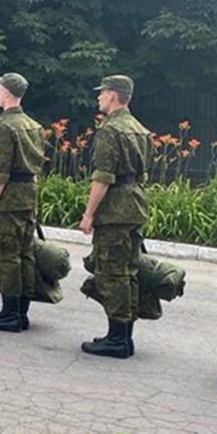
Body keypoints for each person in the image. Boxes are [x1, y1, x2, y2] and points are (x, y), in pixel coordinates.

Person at [78, 75, 150, 357]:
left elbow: (103, 178)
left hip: (115, 208)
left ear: (113, 95)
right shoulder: (138, 129)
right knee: (129, 271)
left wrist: (89, 214)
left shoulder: (110, 130)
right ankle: (124, 336)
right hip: (134, 204)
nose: (99, 97)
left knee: (112, 272)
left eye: (103, 93)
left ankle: (117, 338)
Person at [0, 73, 45, 332]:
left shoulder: (5, 126)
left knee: (7, 255)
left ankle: (9, 313)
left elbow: (1, 173)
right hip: (28, 194)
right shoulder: (33, 125)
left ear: (7, 92)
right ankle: (21, 312)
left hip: (10, 198)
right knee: (25, 253)